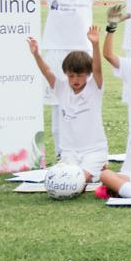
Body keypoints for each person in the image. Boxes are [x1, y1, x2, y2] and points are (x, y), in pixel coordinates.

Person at [30, 27, 109, 179]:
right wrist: (36, 54)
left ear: (88, 73)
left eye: (80, 75)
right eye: (71, 75)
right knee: (64, 179)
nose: (75, 80)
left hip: (94, 150)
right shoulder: (61, 87)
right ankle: (95, 173)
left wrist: (95, 45)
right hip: (69, 152)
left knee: (78, 180)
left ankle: (98, 169)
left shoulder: (94, 87)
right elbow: (47, 71)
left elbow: (98, 68)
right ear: (66, 73)